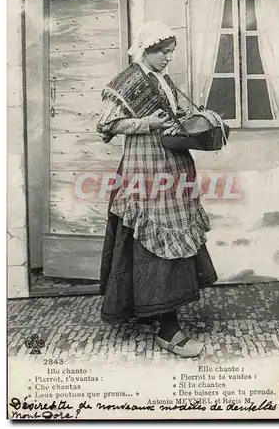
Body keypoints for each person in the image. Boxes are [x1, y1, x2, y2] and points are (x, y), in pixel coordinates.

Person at [96, 21, 218, 358]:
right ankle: (168, 330)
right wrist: (146, 124)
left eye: (170, 52)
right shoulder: (129, 80)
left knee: (171, 236)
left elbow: (173, 117)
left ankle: (154, 313)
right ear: (145, 49)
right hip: (145, 170)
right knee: (156, 240)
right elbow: (105, 124)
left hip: (173, 166)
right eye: (162, 52)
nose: (168, 58)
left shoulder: (162, 79)